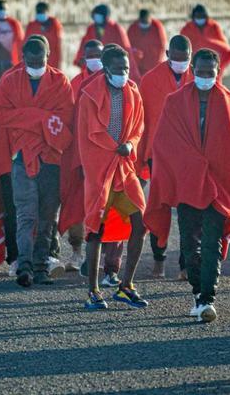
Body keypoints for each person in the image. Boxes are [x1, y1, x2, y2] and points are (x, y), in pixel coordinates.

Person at [146, 48, 230, 323]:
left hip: (218, 186)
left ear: (218, 72)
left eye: (210, 73)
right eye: (200, 72)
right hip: (187, 185)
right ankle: (198, 290)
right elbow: (164, 143)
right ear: (192, 72)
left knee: (212, 243)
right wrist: (188, 164)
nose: (205, 77)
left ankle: (208, 298)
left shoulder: (229, 102)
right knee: (188, 247)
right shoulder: (175, 102)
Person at [0, 38, 73, 286]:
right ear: (22, 58)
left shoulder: (60, 82)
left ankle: (42, 266)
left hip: (51, 159)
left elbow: (65, 120)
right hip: (20, 160)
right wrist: (40, 119)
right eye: (31, 62)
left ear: (48, 56)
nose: (35, 66)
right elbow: (0, 116)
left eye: (40, 62)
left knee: (47, 217)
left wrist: (27, 120)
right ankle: (24, 266)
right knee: (26, 215)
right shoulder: (10, 81)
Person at [78, 44, 149, 310]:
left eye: (126, 68)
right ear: (106, 69)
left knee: (141, 220)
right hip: (99, 169)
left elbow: (139, 126)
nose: (123, 73)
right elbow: (88, 134)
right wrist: (112, 148)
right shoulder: (90, 95)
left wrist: (130, 144)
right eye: (118, 69)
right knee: (95, 227)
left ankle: (126, 285)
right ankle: (93, 291)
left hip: (124, 167)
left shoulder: (133, 91)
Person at [138, 35, 194, 279]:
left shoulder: (199, 77)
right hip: (158, 153)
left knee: (187, 210)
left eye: (185, 59)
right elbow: (142, 120)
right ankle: (159, 260)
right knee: (159, 206)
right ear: (168, 54)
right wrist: (141, 155)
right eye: (177, 58)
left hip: (190, 154)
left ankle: (185, 264)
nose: (181, 63)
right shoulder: (150, 81)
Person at [58, 39, 106, 273]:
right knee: (76, 204)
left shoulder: (112, 83)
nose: (95, 59)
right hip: (78, 155)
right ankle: (77, 251)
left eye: (99, 54)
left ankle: (105, 256)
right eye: (90, 55)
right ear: (83, 58)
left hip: (105, 156)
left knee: (104, 206)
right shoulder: (74, 83)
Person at [73, 4, 140, 82]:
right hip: (93, 66)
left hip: (112, 67)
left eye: (99, 16)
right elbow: (84, 45)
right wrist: (80, 59)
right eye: (95, 16)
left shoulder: (116, 28)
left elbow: (125, 49)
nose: (97, 18)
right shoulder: (91, 28)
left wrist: (131, 73)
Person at [179, 5, 230, 73]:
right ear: (193, 17)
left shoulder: (213, 26)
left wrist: (207, 43)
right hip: (194, 62)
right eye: (198, 16)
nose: (200, 18)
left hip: (212, 60)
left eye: (202, 16)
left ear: (206, 16)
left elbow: (222, 44)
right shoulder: (187, 29)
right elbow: (182, 46)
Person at [127, 9, 168, 77]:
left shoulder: (157, 27)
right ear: (139, 19)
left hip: (154, 65)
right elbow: (128, 46)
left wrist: (157, 66)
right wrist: (134, 53)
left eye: (146, 22)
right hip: (138, 67)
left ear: (150, 19)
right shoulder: (133, 28)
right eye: (142, 21)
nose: (144, 24)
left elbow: (162, 46)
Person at [24, 2, 64, 69]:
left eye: (42, 12)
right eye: (38, 12)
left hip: (52, 60)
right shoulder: (31, 26)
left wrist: (59, 63)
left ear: (47, 12)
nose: (40, 14)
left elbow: (58, 44)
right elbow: (25, 44)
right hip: (35, 61)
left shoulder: (55, 24)